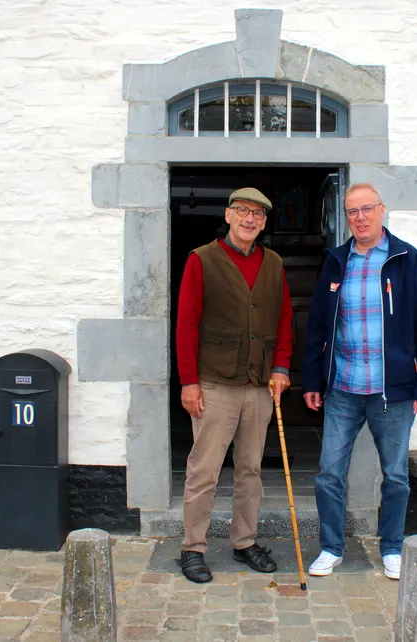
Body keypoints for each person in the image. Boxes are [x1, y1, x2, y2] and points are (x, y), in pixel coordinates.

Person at [302, 183, 417, 580]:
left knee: (395, 476)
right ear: (345, 217)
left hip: (392, 392)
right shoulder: (336, 261)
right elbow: (317, 328)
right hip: (343, 388)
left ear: (382, 210)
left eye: (367, 209)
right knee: (330, 472)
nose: (360, 217)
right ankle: (331, 548)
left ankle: (392, 547)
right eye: (352, 212)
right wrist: (314, 379)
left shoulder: (407, 260)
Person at [175, 187, 294, 584]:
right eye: (242, 210)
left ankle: (244, 542)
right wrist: (189, 382)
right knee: (204, 470)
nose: (250, 219)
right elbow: (186, 324)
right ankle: (192, 548)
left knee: (250, 470)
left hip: (259, 383)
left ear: (264, 222)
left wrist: (281, 367)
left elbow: (284, 320)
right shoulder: (202, 259)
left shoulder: (273, 263)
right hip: (214, 383)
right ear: (228, 215)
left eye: (258, 214)